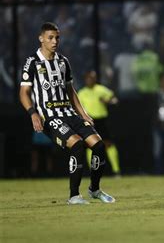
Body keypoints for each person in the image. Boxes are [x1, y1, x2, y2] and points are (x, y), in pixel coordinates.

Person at [19, 22, 115, 205]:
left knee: (100, 146)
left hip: (69, 113)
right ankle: (73, 196)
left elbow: (71, 91)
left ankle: (94, 190)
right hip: (50, 116)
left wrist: (83, 113)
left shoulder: (63, 61)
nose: (54, 41)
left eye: (57, 38)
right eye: (50, 38)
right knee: (77, 145)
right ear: (41, 39)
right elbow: (23, 93)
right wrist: (33, 113)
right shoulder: (32, 62)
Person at [77, 71, 121, 177]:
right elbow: (77, 108)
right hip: (90, 122)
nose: (90, 80)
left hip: (102, 120)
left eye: (92, 78)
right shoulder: (81, 93)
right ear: (85, 79)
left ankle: (116, 171)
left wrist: (108, 101)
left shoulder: (101, 90)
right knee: (90, 146)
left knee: (108, 144)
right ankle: (93, 171)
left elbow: (114, 100)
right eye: (88, 78)